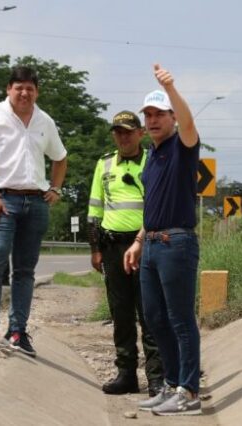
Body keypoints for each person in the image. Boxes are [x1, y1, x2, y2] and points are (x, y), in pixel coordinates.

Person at [0, 65, 67, 356]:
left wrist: (56, 188)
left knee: (25, 269)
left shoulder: (44, 121)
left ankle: (18, 331)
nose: (24, 93)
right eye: (18, 87)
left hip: (35, 201)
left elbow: (60, 158)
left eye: (30, 88)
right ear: (8, 89)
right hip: (2, 199)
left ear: (36, 92)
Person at [123, 64, 202, 416]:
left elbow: (188, 124)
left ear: (171, 116)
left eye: (159, 114)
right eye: (148, 115)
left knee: (180, 319)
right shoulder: (151, 156)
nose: (153, 120)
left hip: (176, 243)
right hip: (153, 244)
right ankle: (171, 383)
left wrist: (171, 89)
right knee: (154, 318)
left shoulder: (183, 147)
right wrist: (139, 240)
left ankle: (189, 391)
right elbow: (153, 205)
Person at [87, 110, 164, 397]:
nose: (124, 136)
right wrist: (95, 249)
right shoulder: (104, 164)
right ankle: (126, 374)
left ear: (140, 133)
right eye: (118, 132)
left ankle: (157, 377)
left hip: (145, 245)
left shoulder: (153, 161)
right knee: (121, 313)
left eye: (129, 131)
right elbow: (94, 210)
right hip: (112, 247)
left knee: (150, 311)